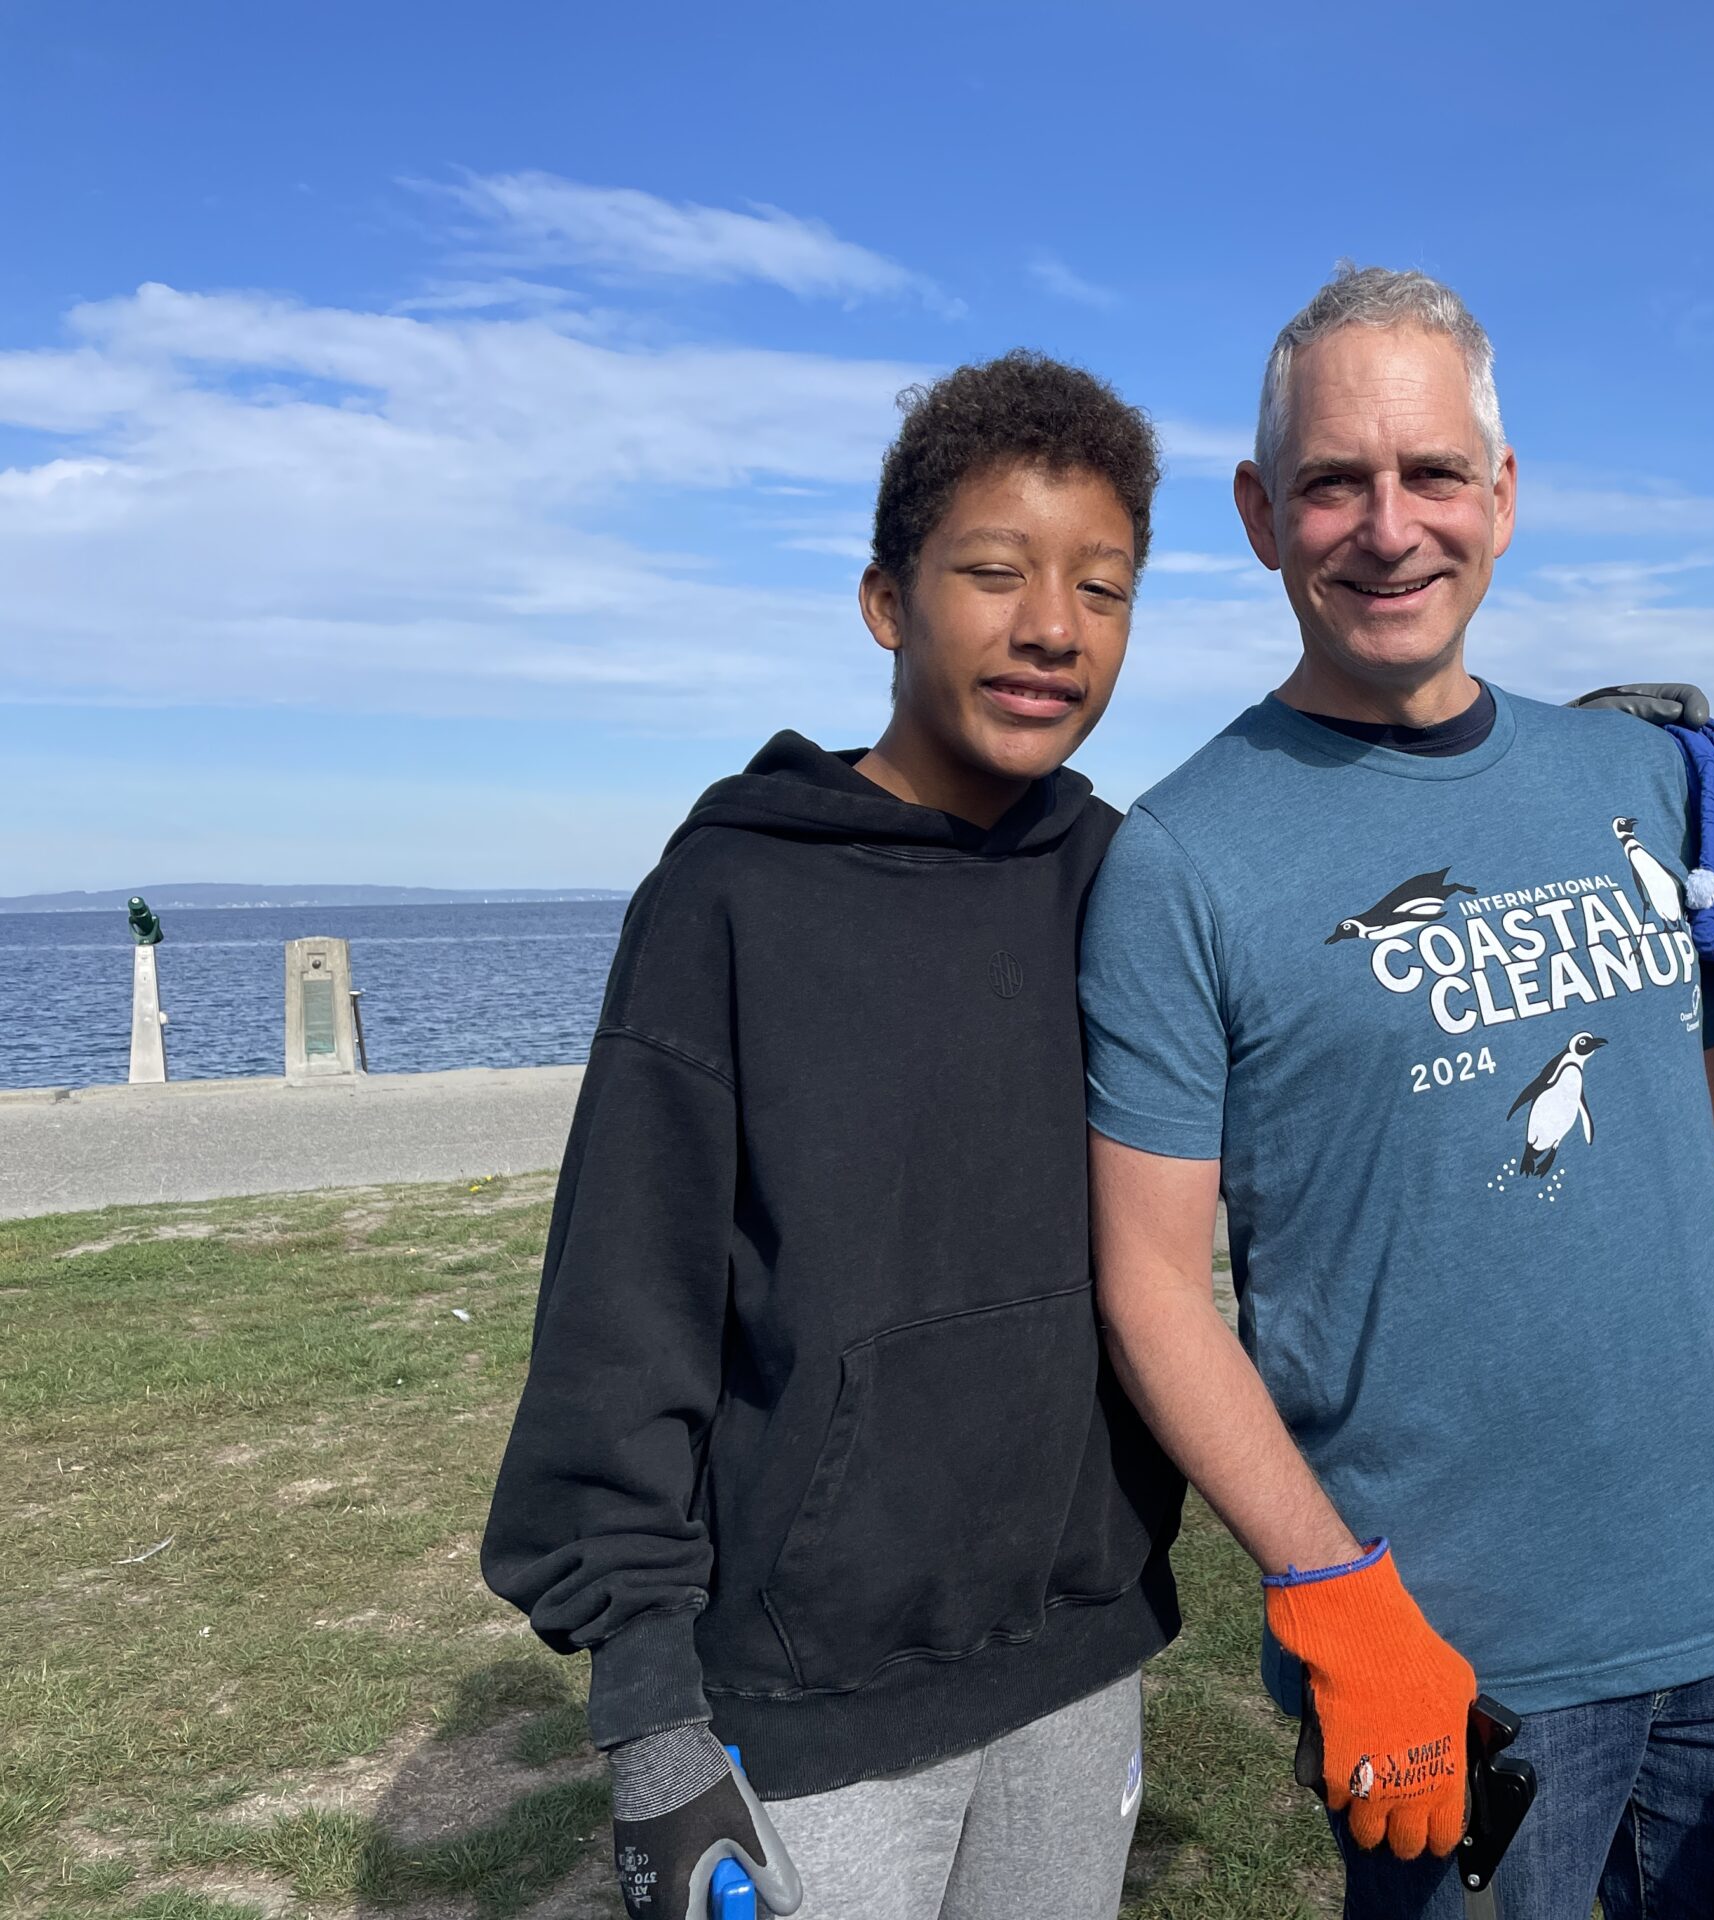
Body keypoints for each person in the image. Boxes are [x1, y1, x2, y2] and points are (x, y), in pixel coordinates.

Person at [1077, 269, 1714, 1920]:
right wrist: (1332, 1595)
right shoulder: (1178, 861)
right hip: (1449, 1664)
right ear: (1260, 516)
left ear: (1505, 496)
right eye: (1333, 482)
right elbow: (1150, 1285)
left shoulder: (1639, 781)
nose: (1389, 529)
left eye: (1434, 474)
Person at [482, 351, 1184, 1920]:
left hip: (1079, 1651)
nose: (1052, 628)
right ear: (887, 599)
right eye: (993, 573)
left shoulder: (1126, 884)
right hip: (807, 1697)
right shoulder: (731, 900)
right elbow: (622, 1313)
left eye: (1106, 587)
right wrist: (656, 1724)